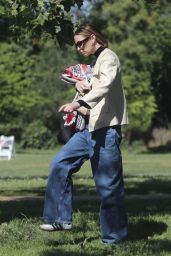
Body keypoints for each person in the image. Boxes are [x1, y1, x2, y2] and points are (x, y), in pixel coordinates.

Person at [40, 23, 128, 244]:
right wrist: (80, 90)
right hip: (86, 130)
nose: (78, 48)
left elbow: (105, 85)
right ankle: (60, 219)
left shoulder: (108, 57)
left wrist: (79, 101)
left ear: (93, 37)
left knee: (108, 186)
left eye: (81, 42)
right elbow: (95, 91)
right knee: (60, 163)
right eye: (76, 44)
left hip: (106, 130)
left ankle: (114, 239)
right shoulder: (95, 62)